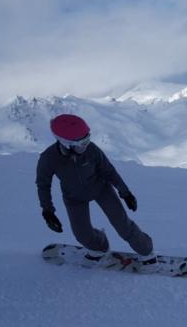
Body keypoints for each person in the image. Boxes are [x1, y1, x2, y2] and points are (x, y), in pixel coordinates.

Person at [36, 114, 159, 272]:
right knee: (82, 234)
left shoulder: (92, 150)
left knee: (123, 226)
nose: (85, 146)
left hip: (101, 190)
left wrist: (125, 192)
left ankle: (147, 253)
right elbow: (43, 185)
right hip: (74, 197)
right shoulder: (48, 158)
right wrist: (48, 211)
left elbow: (109, 171)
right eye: (81, 144)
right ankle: (99, 247)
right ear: (65, 143)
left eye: (87, 140)